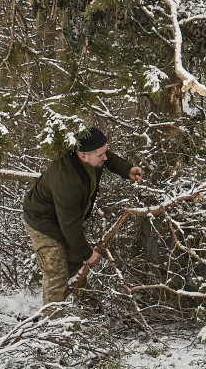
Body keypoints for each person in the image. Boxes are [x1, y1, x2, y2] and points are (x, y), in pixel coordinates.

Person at [23, 127, 144, 306]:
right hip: (42, 222)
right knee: (56, 273)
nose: (105, 157)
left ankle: (84, 313)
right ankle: (52, 325)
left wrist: (127, 170)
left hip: (65, 218)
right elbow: (69, 226)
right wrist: (88, 253)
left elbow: (108, 158)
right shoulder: (67, 180)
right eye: (101, 155)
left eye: (105, 152)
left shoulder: (91, 153)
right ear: (83, 155)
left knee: (76, 264)